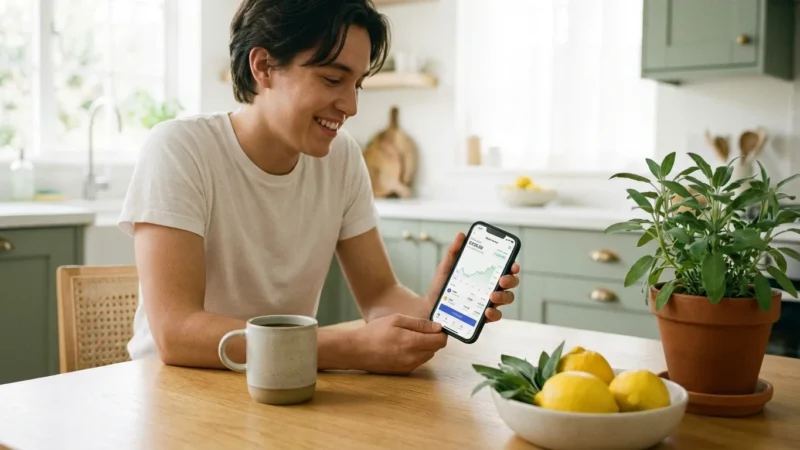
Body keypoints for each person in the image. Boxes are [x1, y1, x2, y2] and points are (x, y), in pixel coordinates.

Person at [118, 0, 520, 375]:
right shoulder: (180, 149)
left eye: (357, 84)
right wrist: (347, 348)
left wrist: (431, 308)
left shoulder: (341, 158)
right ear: (264, 67)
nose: (351, 105)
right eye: (332, 78)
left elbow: (379, 295)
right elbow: (177, 332)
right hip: (175, 389)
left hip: (285, 383)